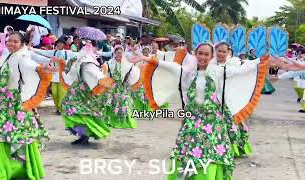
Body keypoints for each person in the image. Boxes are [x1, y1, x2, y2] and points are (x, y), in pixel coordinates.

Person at [129, 43, 268, 180]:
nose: (202, 57)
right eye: (200, 53)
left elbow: (243, 70)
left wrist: (263, 61)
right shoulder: (188, 72)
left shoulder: (219, 72)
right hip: (192, 121)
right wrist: (147, 59)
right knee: (188, 153)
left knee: (210, 154)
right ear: (195, 54)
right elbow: (173, 67)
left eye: (206, 54)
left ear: (211, 56)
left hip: (213, 123)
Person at [0, 32, 53, 180]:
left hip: (17, 103)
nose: (11, 44)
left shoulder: (23, 58)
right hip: (1, 102)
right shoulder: (4, 57)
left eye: (15, 42)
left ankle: (20, 170)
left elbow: (32, 67)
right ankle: (0, 171)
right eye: (9, 41)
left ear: (22, 44)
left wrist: (42, 70)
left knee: (20, 136)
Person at [55, 40, 114, 145]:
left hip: (84, 91)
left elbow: (96, 74)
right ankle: (83, 134)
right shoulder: (79, 60)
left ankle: (84, 134)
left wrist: (105, 81)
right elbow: (69, 69)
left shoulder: (88, 62)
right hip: (78, 90)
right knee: (72, 110)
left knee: (81, 112)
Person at [31, 37, 78, 114]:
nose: (59, 45)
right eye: (58, 43)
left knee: (61, 94)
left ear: (64, 44)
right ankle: (58, 108)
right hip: (54, 76)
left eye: (61, 43)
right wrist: (31, 49)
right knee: (54, 94)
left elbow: (77, 56)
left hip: (64, 77)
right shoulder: (53, 52)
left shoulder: (68, 53)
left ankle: (61, 109)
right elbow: (42, 52)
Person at [103, 45, 141, 128]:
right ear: (114, 53)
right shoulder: (109, 63)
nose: (118, 55)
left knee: (123, 104)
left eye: (120, 53)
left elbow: (132, 74)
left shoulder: (127, 64)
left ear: (123, 54)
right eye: (117, 53)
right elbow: (105, 74)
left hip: (123, 87)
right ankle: (110, 120)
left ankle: (122, 121)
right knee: (111, 103)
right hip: (111, 87)